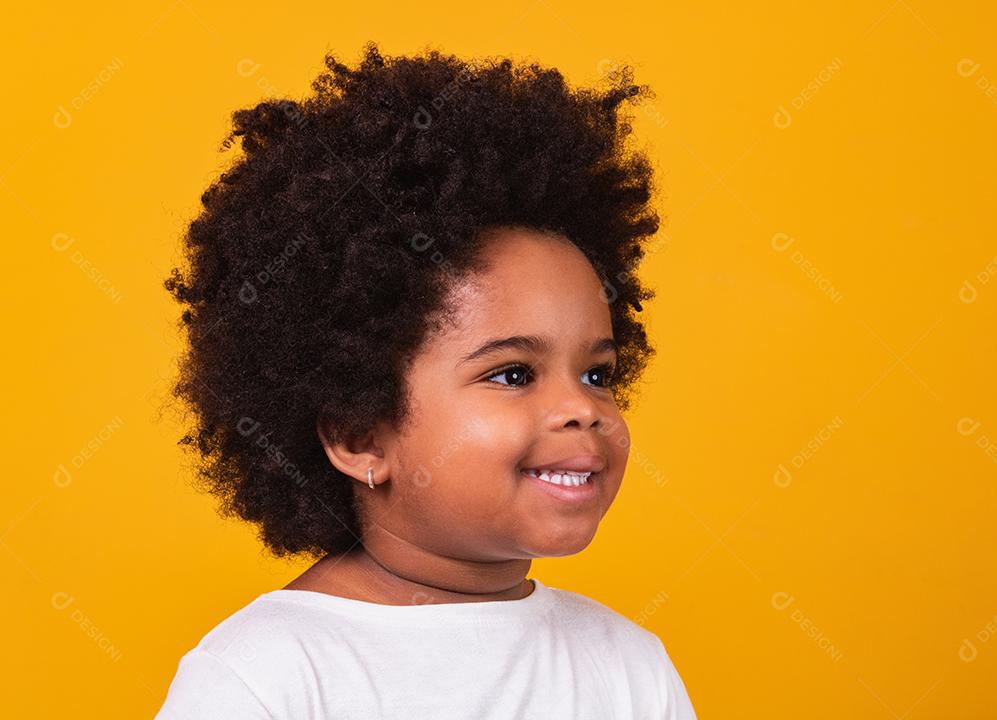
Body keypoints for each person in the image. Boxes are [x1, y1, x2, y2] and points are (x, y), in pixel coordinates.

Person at [155, 40, 696, 719]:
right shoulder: (268, 675)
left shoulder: (626, 667)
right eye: (512, 373)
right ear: (361, 435)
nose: (581, 409)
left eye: (596, 372)